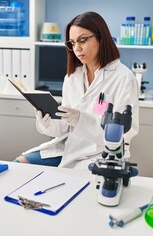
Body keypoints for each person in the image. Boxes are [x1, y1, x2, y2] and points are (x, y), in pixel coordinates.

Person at [14, 11, 139, 169]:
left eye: (82, 40)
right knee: (18, 164)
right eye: (72, 43)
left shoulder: (123, 78)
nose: (77, 48)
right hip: (69, 147)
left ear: (102, 37)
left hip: (100, 154)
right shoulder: (72, 76)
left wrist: (81, 119)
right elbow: (64, 127)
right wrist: (47, 121)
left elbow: (124, 134)